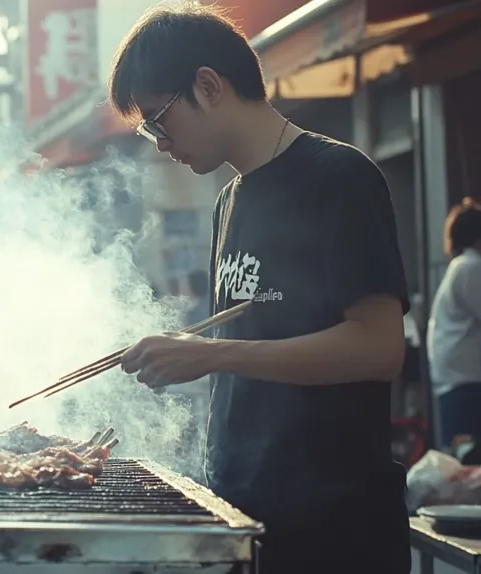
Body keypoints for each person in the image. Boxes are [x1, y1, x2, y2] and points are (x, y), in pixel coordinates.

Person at [109, 5, 410, 573]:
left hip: (335, 527)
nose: (157, 142)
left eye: (159, 120)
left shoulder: (340, 177)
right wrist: (187, 349)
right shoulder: (229, 200)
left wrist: (212, 355)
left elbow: (378, 348)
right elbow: (255, 338)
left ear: (207, 86)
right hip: (246, 511)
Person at [427, 198, 481, 451]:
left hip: (456, 377)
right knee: (470, 458)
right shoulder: (471, 267)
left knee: (461, 454)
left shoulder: (459, 267)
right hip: (466, 380)